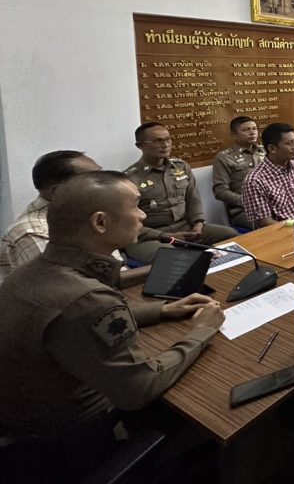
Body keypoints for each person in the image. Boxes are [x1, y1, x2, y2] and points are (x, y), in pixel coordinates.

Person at [0, 171, 224, 482]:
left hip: (27, 432)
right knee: (220, 413)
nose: (143, 215)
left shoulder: (29, 274)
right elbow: (138, 389)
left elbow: (79, 322)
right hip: (78, 443)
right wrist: (201, 331)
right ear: (100, 223)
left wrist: (162, 310)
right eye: (136, 206)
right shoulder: (87, 298)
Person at [1, 150, 149, 287]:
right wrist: (155, 270)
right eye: (94, 179)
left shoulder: (87, 213)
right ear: (58, 191)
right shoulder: (31, 231)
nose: (106, 183)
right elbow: (67, 287)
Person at [123, 123, 236, 263]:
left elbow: (193, 200)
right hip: (148, 236)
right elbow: (129, 225)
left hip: (185, 227)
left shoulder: (181, 167)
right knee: (171, 256)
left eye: (168, 139)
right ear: (140, 145)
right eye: (158, 141)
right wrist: (167, 236)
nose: (165, 145)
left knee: (230, 236)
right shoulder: (129, 179)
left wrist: (198, 225)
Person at [242, 122, 294, 228]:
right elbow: (265, 222)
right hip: (286, 231)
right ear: (272, 148)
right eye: (289, 143)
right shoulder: (255, 180)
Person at [211, 115, 265, 230]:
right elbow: (221, 192)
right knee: (277, 222)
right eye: (246, 130)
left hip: (273, 202)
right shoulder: (224, 158)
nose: (252, 132)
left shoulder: (265, 150)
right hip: (245, 209)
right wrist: (249, 201)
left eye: (254, 128)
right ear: (234, 135)